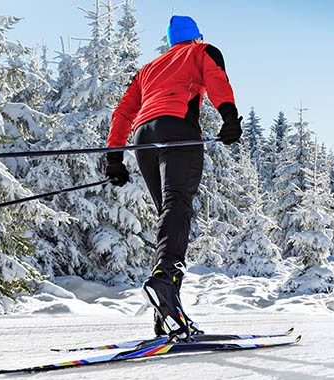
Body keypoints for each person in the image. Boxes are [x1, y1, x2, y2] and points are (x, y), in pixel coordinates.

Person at [104, 15, 243, 340]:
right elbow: (217, 81)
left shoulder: (148, 69)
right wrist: (229, 118)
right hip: (178, 129)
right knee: (177, 206)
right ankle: (165, 281)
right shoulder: (202, 51)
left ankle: (167, 313)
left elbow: (123, 111)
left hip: (144, 138)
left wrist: (114, 158)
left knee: (170, 216)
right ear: (196, 36)